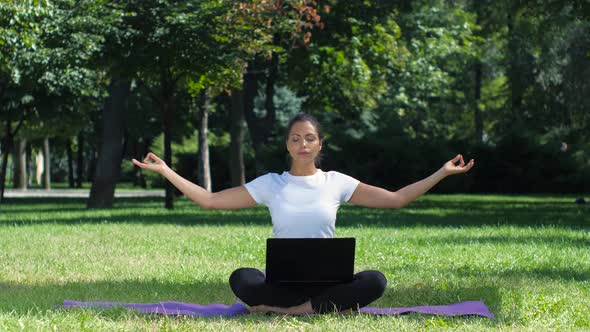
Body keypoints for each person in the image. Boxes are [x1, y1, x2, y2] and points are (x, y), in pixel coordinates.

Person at [132, 113, 475, 315]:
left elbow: (397, 199)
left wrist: (442, 172)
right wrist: (166, 172)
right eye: (295, 138)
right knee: (242, 277)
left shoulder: (337, 182)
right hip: (284, 283)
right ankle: (308, 308)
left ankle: (289, 312)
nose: (303, 144)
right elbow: (209, 200)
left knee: (375, 280)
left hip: (328, 281)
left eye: (309, 138)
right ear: (288, 145)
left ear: (320, 144)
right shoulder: (270, 184)